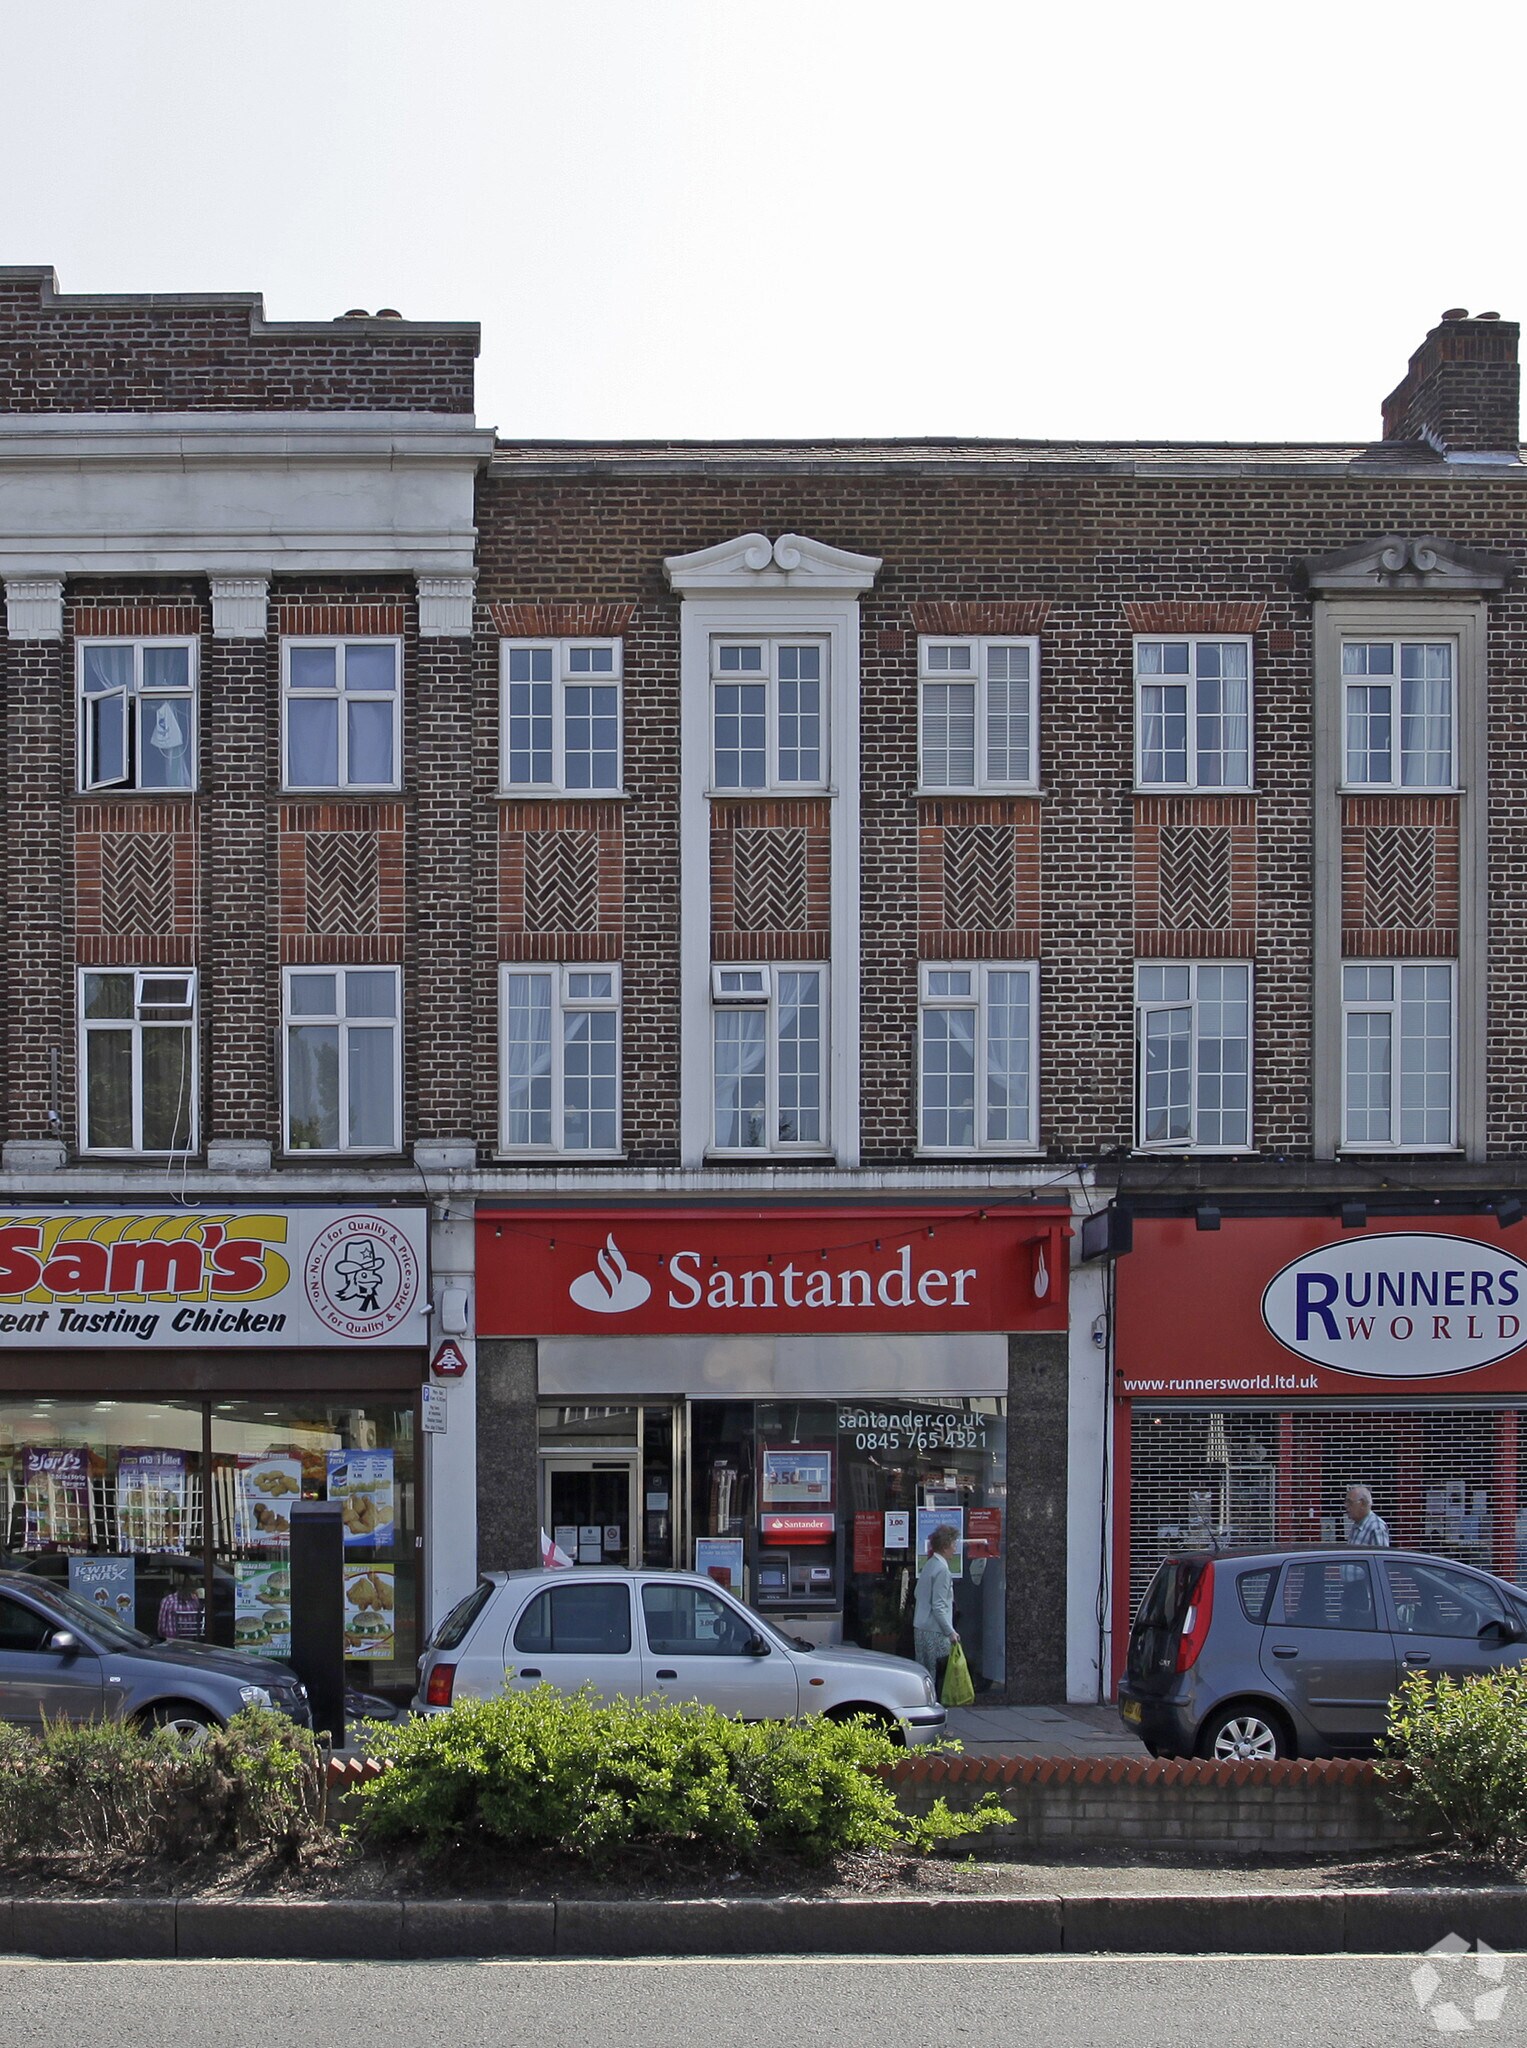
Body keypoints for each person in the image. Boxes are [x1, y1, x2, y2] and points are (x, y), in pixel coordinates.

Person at [912, 1523, 960, 1682]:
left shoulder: (929, 1564)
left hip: (920, 1627)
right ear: (945, 1546)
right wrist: (950, 1632)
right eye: (953, 1544)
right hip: (935, 1630)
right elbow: (939, 1606)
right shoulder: (943, 1571)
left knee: (924, 1672)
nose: (955, 1549)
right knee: (937, 1674)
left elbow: (917, 1593)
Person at [1345, 1484, 1391, 1548]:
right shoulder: (1357, 1524)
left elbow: (1381, 1556)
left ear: (1363, 1504)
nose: (1346, 1506)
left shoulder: (1377, 1527)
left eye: (1350, 1502)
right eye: (1346, 1502)